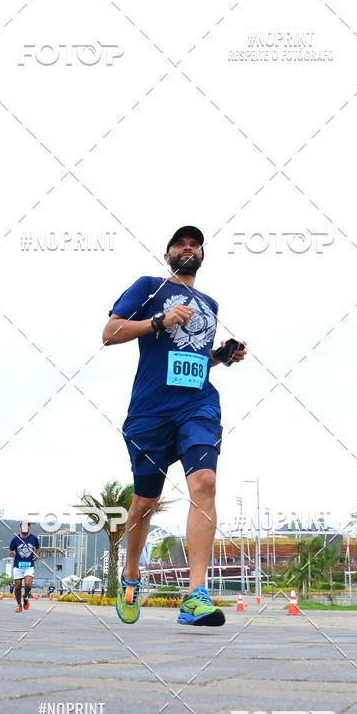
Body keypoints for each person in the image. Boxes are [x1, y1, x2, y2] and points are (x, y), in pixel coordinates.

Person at [103, 225, 247, 626]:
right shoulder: (149, 286)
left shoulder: (210, 304)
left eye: (194, 244)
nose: (188, 248)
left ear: (201, 255)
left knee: (204, 483)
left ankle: (195, 594)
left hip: (198, 405)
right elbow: (110, 333)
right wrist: (158, 321)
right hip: (150, 412)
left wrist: (222, 356)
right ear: (168, 256)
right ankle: (130, 577)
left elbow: (194, 358)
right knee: (145, 501)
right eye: (180, 245)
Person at [8, 522, 40, 612]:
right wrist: (12, 553)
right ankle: (19, 604)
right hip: (18, 566)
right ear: (20, 527)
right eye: (23, 526)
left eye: (27, 526)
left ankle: (26, 596)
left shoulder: (34, 538)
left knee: (28, 584)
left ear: (29, 527)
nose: (25, 528)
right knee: (17, 586)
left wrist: (36, 555)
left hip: (29, 565)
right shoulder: (15, 539)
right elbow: (11, 551)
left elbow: (37, 548)